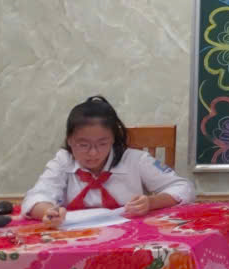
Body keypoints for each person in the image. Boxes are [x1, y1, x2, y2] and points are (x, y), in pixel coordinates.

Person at [22, 95, 194, 227]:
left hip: (129, 239)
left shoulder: (135, 160)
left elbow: (183, 187)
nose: (93, 153)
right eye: (83, 145)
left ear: (113, 139)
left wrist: (151, 202)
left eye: (102, 144)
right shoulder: (63, 161)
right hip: (76, 237)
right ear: (70, 140)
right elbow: (37, 195)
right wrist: (48, 212)